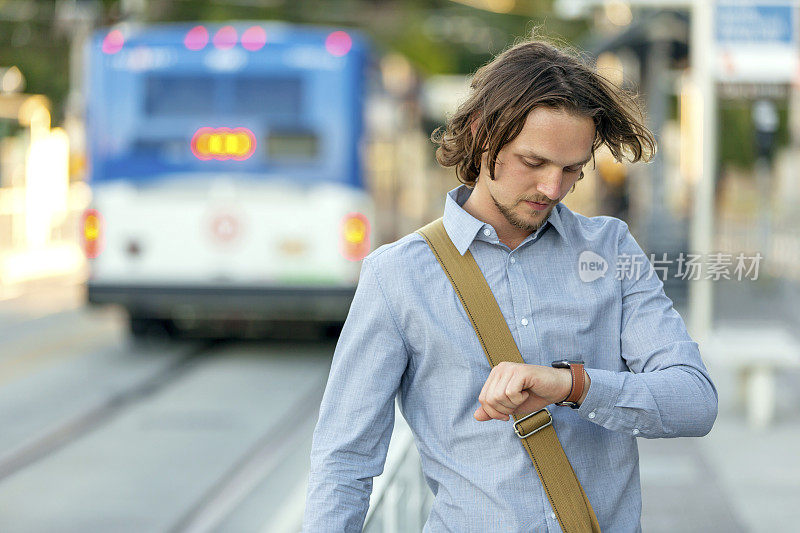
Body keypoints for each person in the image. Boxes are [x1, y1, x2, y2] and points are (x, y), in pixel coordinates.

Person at [302, 35, 718, 532]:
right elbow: (344, 463)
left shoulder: (609, 250)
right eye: (534, 162)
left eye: (572, 170)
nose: (552, 188)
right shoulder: (397, 277)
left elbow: (695, 400)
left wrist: (572, 384)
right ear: (483, 132)